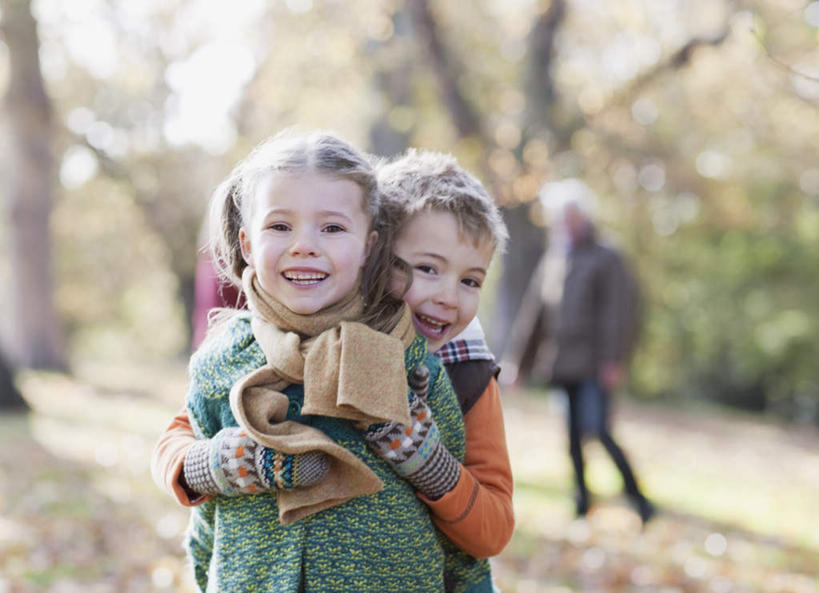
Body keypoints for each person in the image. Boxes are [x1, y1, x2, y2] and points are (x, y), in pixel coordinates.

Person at [152, 146, 515, 591]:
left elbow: (485, 539)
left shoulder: (458, 371)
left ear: (368, 246)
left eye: (469, 280)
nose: (446, 297)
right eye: (424, 268)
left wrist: (428, 463)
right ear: (378, 258)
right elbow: (185, 441)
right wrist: (218, 464)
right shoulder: (243, 350)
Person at [506, 194, 654, 524]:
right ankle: (582, 502)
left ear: (585, 219)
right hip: (561, 364)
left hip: (595, 363)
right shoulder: (554, 258)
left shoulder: (607, 257)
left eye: (572, 219)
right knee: (572, 438)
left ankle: (638, 499)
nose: (566, 225)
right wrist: (519, 363)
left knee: (598, 429)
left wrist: (613, 361)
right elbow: (536, 314)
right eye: (561, 219)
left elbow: (618, 314)